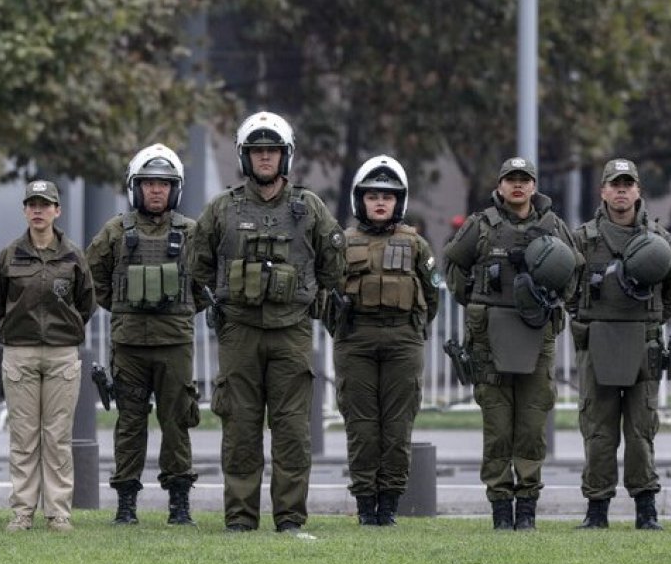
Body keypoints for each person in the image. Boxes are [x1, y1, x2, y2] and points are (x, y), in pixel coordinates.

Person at [189, 110, 346, 534]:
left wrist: (310, 298)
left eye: (272, 150)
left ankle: (291, 519)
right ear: (244, 156)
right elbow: (197, 266)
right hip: (239, 332)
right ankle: (240, 518)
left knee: (293, 430)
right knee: (240, 427)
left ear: (285, 155)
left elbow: (334, 266)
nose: (264, 157)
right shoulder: (222, 208)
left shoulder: (308, 208)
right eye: (257, 150)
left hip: (292, 332)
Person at [443, 157, 580, 531]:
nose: (517, 185)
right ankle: (501, 506)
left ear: (534, 186)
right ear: (500, 186)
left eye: (524, 179)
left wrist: (551, 297)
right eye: (511, 179)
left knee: (533, 425)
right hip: (489, 339)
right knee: (498, 426)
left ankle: (528, 506)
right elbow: (453, 263)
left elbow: (574, 272)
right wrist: (475, 300)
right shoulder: (481, 225)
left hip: (537, 336)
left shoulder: (553, 226)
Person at [86, 144, 202, 526]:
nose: (156, 190)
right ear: (136, 187)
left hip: (175, 345)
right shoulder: (115, 231)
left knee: (177, 423)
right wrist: (122, 306)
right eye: (149, 183)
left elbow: (206, 282)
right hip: (130, 346)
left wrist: (182, 309)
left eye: (163, 184)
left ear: (175, 189)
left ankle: (179, 504)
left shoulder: (191, 233)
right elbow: (92, 278)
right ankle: (126, 505)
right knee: (129, 425)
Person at [567, 159, 671, 531]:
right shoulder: (583, 238)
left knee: (641, 429)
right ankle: (596, 508)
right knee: (598, 429)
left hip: (643, 343)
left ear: (638, 191)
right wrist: (585, 318)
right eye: (614, 184)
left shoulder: (659, 238)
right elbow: (566, 285)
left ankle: (646, 509)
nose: (621, 190)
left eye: (627, 184)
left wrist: (652, 320)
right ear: (603, 191)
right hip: (597, 342)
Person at [328, 155, 439, 526]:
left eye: (387, 196)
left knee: (397, 426)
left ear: (399, 201)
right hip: (355, 340)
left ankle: (389, 504)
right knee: (361, 426)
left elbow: (432, 294)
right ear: (360, 199)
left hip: (403, 341)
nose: (380, 202)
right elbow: (325, 295)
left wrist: (410, 328)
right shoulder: (341, 243)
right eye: (373, 195)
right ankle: (365, 504)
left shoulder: (416, 244)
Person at [0, 180, 95, 533]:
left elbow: (86, 303)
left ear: (57, 211)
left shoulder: (73, 255)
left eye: (45, 204)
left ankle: (58, 512)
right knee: (23, 437)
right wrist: (11, 330)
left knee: (58, 437)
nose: (38, 210)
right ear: (24, 210)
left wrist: (67, 328)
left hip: (62, 354)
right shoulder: (9, 255)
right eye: (32, 204)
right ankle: (22, 511)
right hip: (20, 353)